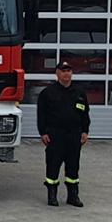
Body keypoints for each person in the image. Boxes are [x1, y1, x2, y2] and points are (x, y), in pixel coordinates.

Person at [36, 61, 91, 207]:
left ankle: (73, 196)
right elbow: (41, 115)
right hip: (55, 134)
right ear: (57, 73)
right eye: (63, 71)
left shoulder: (79, 93)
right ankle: (52, 196)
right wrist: (43, 132)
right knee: (53, 164)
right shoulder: (48, 93)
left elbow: (85, 114)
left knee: (73, 166)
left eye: (69, 71)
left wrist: (85, 131)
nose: (66, 73)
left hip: (74, 134)